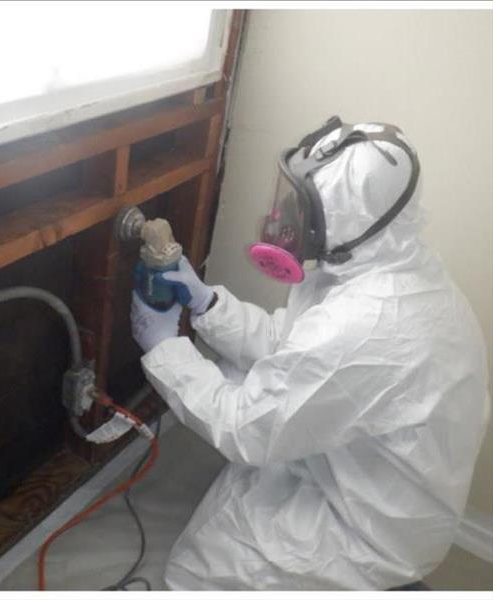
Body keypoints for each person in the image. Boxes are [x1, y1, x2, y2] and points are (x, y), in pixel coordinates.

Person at [130, 117, 491, 590]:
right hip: (371, 468)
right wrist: (209, 305)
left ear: (343, 219)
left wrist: (163, 349)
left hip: (369, 527)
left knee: (199, 573)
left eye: (301, 207)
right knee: (238, 373)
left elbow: (243, 426)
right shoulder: (381, 266)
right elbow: (292, 344)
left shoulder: (368, 324)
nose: (282, 217)